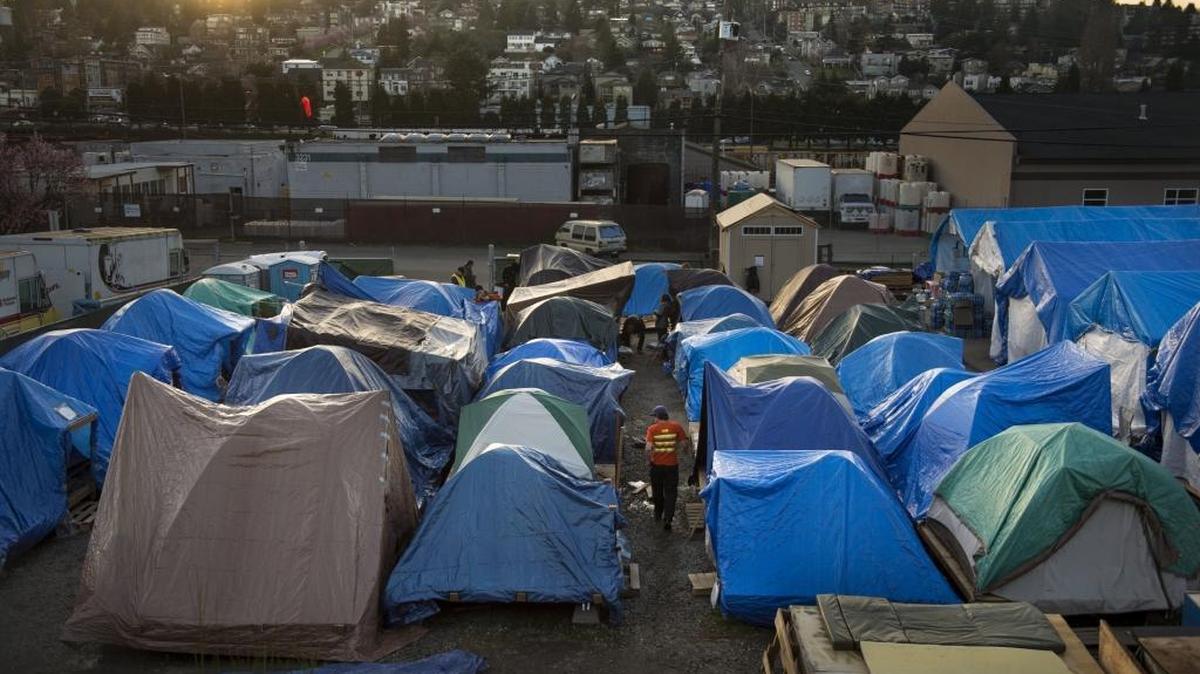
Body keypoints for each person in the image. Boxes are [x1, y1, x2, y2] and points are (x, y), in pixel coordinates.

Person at [644, 405, 691, 531]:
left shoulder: (652, 429)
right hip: (672, 466)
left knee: (657, 491)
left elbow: (648, 448)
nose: (653, 419)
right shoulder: (676, 426)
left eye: (654, 417)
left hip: (657, 466)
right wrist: (683, 452)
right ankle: (668, 519)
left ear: (657, 417)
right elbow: (685, 443)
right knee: (671, 492)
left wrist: (649, 461)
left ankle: (658, 514)